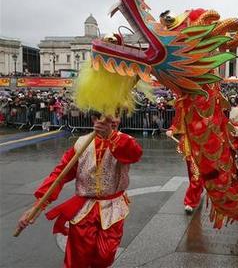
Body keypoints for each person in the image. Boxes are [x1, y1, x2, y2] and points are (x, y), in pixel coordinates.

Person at [17, 112, 143, 268]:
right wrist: (38, 205)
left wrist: (110, 136)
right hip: (84, 209)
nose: (114, 120)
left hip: (113, 208)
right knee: (78, 257)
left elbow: (133, 154)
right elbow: (60, 174)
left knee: (105, 256)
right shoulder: (81, 143)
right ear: (95, 120)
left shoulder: (125, 140)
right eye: (106, 117)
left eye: (117, 115)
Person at [166, 96, 203, 214]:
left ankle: (192, 198)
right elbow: (177, 121)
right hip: (189, 143)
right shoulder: (182, 102)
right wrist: (172, 129)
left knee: (198, 173)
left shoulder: (206, 101)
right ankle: (193, 197)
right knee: (193, 173)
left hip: (203, 142)